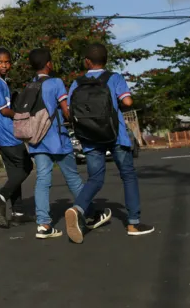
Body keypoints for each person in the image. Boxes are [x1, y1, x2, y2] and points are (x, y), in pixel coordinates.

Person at [64, 43, 155, 243]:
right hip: (115, 135)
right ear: (106, 60)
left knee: (95, 179)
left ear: (87, 61)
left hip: (90, 137)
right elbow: (128, 102)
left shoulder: (77, 83)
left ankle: (77, 208)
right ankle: (133, 222)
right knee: (128, 176)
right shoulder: (114, 78)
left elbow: (69, 111)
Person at [25, 48, 112, 239]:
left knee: (42, 179)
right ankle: (88, 213)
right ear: (49, 64)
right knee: (72, 177)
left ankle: (43, 225)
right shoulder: (55, 83)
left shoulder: (30, 86)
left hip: (36, 141)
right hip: (57, 139)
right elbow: (66, 110)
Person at [0, 47, 32, 228]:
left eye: (7, 62)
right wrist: (22, 115)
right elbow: (4, 110)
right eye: (0, 62)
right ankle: (0, 197)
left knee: (14, 171)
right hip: (5, 131)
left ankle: (18, 212)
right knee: (26, 165)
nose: (4, 65)